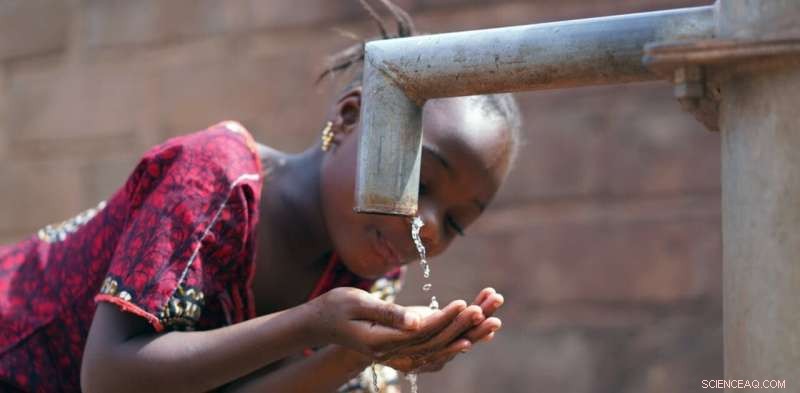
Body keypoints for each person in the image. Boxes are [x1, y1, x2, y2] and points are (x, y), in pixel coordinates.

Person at [0, 1, 521, 392]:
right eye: (421, 182)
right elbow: (111, 377)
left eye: (454, 223)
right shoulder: (216, 179)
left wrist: (352, 355)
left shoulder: (369, 265)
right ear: (348, 118)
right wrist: (311, 324)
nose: (427, 226)